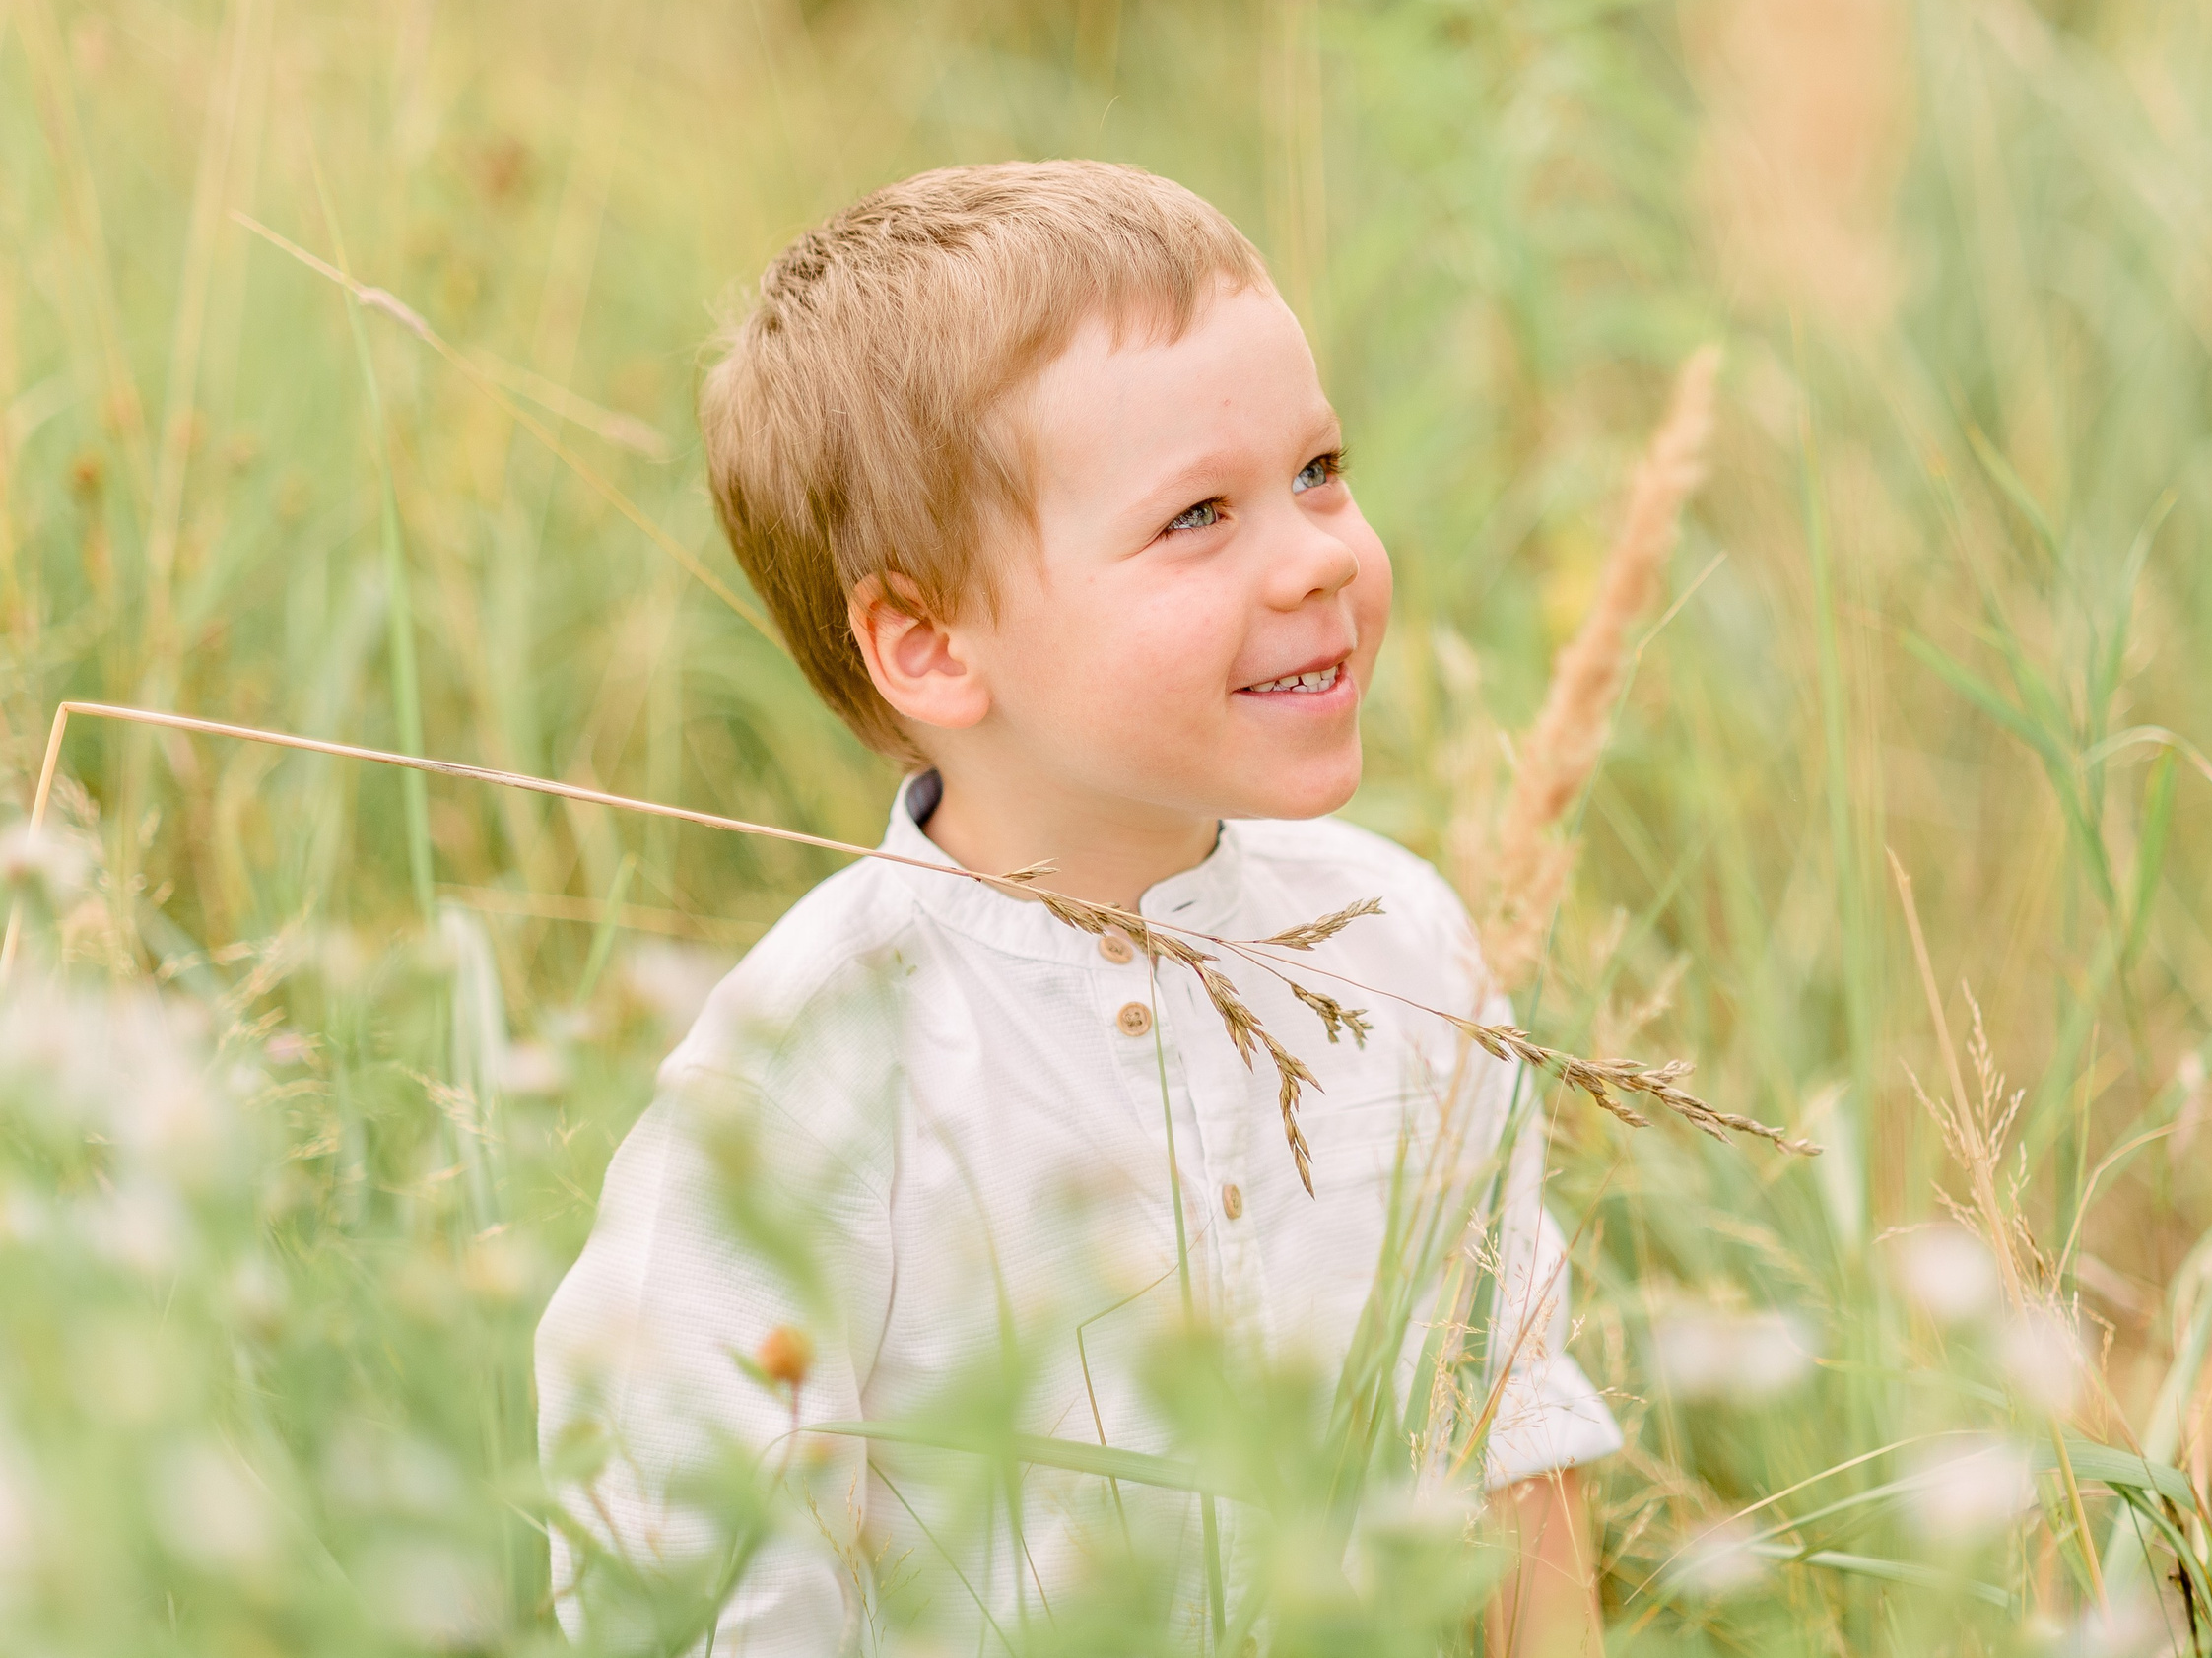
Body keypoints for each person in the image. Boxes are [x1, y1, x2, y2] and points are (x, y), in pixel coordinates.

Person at [535, 159, 1620, 1655]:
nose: (1316, 556)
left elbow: (1509, 1444)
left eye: (1318, 469)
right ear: (927, 643)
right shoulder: (805, 1080)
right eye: (1198, 516)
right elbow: (695, 1582)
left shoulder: (1398, 941)